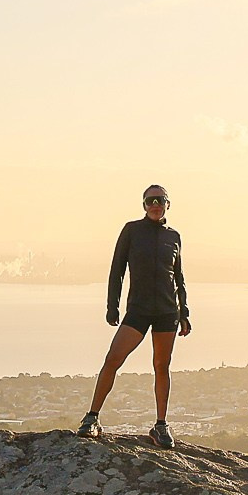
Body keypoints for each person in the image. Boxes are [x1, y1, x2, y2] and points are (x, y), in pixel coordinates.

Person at [79, 184, 191, 447]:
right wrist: (112, 307)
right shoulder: (132, 231)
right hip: (138, 310)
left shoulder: (173, 236)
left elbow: (179, 278)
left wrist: (184, 312)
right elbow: (117, 269)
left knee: (161, 366)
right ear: (143, 205)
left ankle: (161, 426)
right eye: (150, 200)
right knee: (113, 359)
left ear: (167, 204)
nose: (155, 205)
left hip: (166, 311)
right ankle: (91, 418)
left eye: (160, 200)